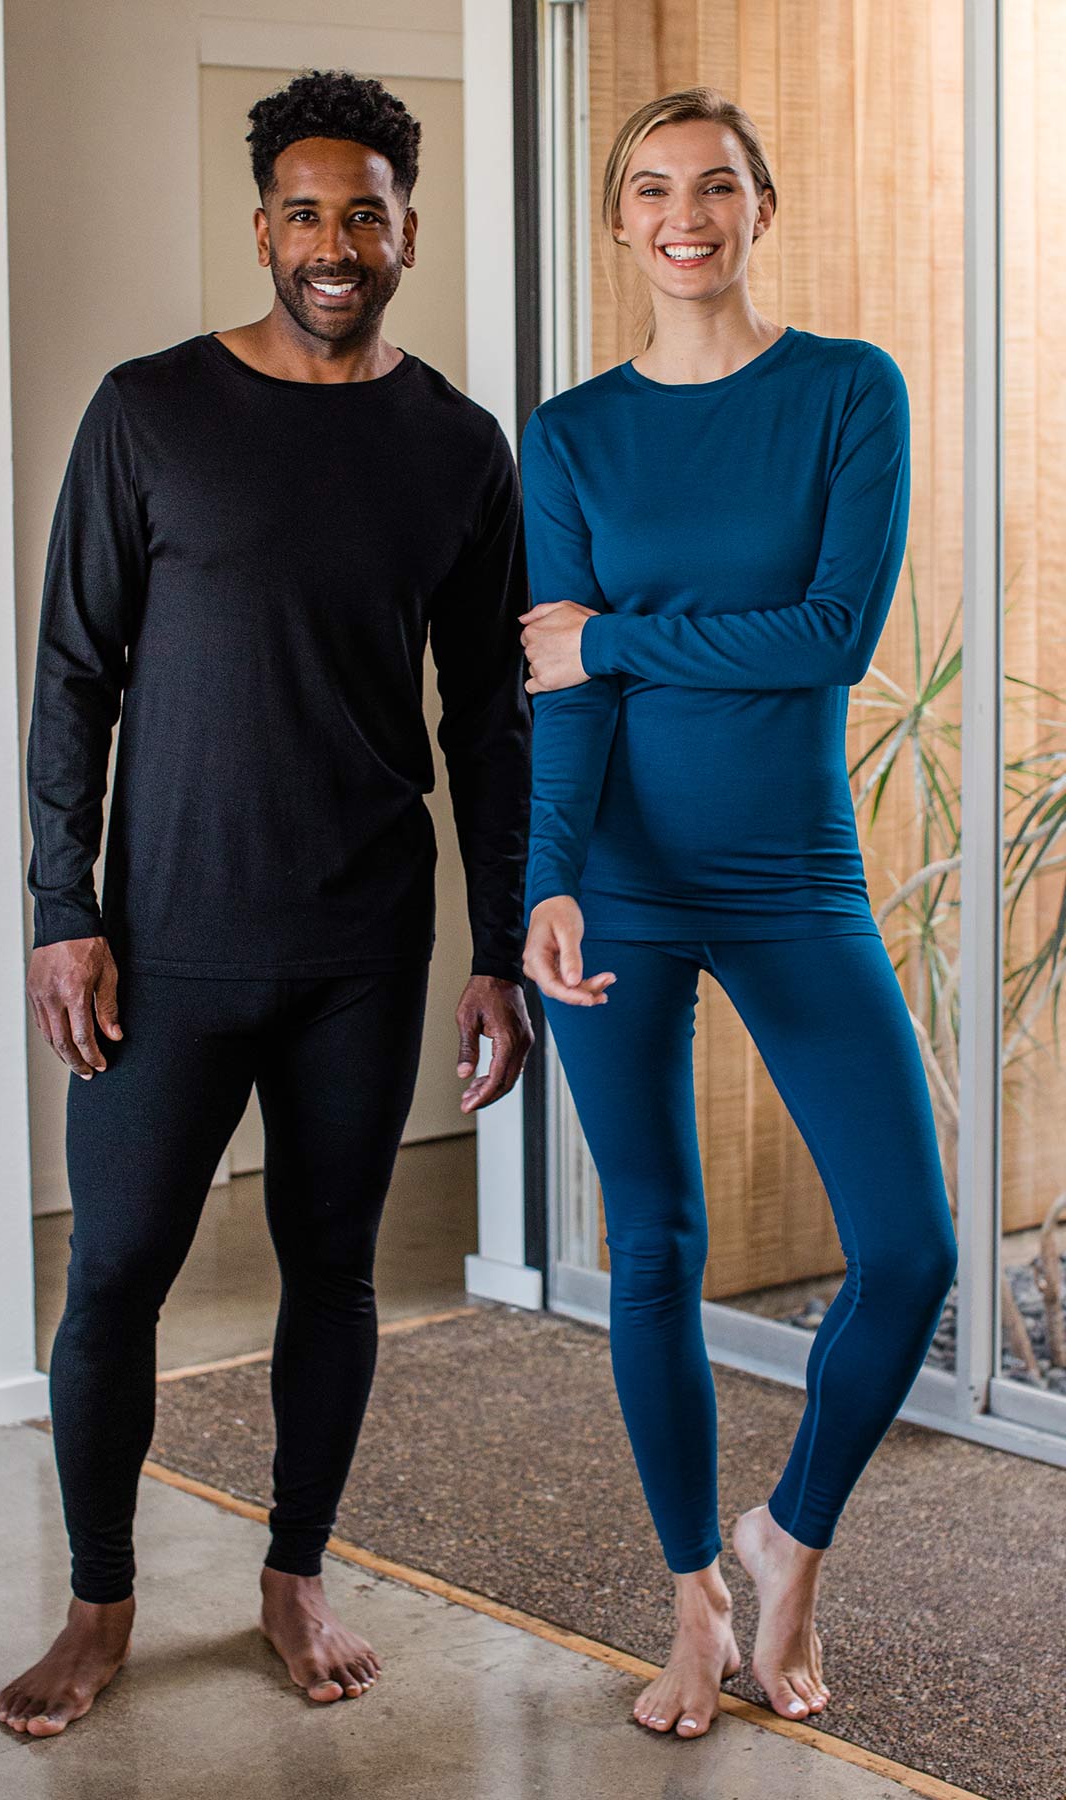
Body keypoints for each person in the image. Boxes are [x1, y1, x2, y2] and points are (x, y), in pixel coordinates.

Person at [0, 68, 534, 1736]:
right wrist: (56, 909)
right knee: (117, 1280)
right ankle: (99, 1603)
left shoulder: (457, 447)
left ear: (407, 233)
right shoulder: (147, 412)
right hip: (164, 945)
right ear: (263, 227)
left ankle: (295, 1575)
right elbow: (75, 674)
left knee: (334, 1271)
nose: (334, 243)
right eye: (305, 212)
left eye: (365, 214)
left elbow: (488, 721)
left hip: (363, 950)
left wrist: (501, 951)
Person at [519, 86, 958, 1742]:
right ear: (620, 221)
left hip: (794, 874)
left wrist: (618, 636)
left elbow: (830, 634)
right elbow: (557, 702)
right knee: (657, 1249)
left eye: (715, 186)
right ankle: (695, 1593)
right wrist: (547, 881)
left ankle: (793, 1540)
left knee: (908, 1249)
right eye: (652, 189)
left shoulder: (849, 393)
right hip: (618, 880)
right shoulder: (567, 434)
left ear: (760, 206)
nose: (684, 215)